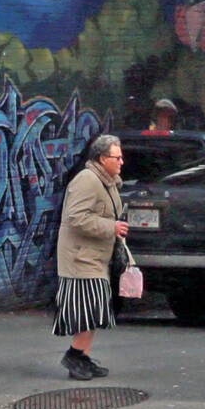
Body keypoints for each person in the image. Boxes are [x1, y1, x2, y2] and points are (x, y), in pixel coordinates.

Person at [53, 133, 129, 381]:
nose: (121, 162)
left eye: (120, 157)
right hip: (80, 259)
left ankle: (83, 358)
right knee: (90, 311)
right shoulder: (87, 180)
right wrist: (111, 228)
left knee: (97, 310)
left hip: (96, 257)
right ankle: (74, 355)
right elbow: (75, 217)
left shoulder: (107, 181)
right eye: (116, 157)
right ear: (101, 158)